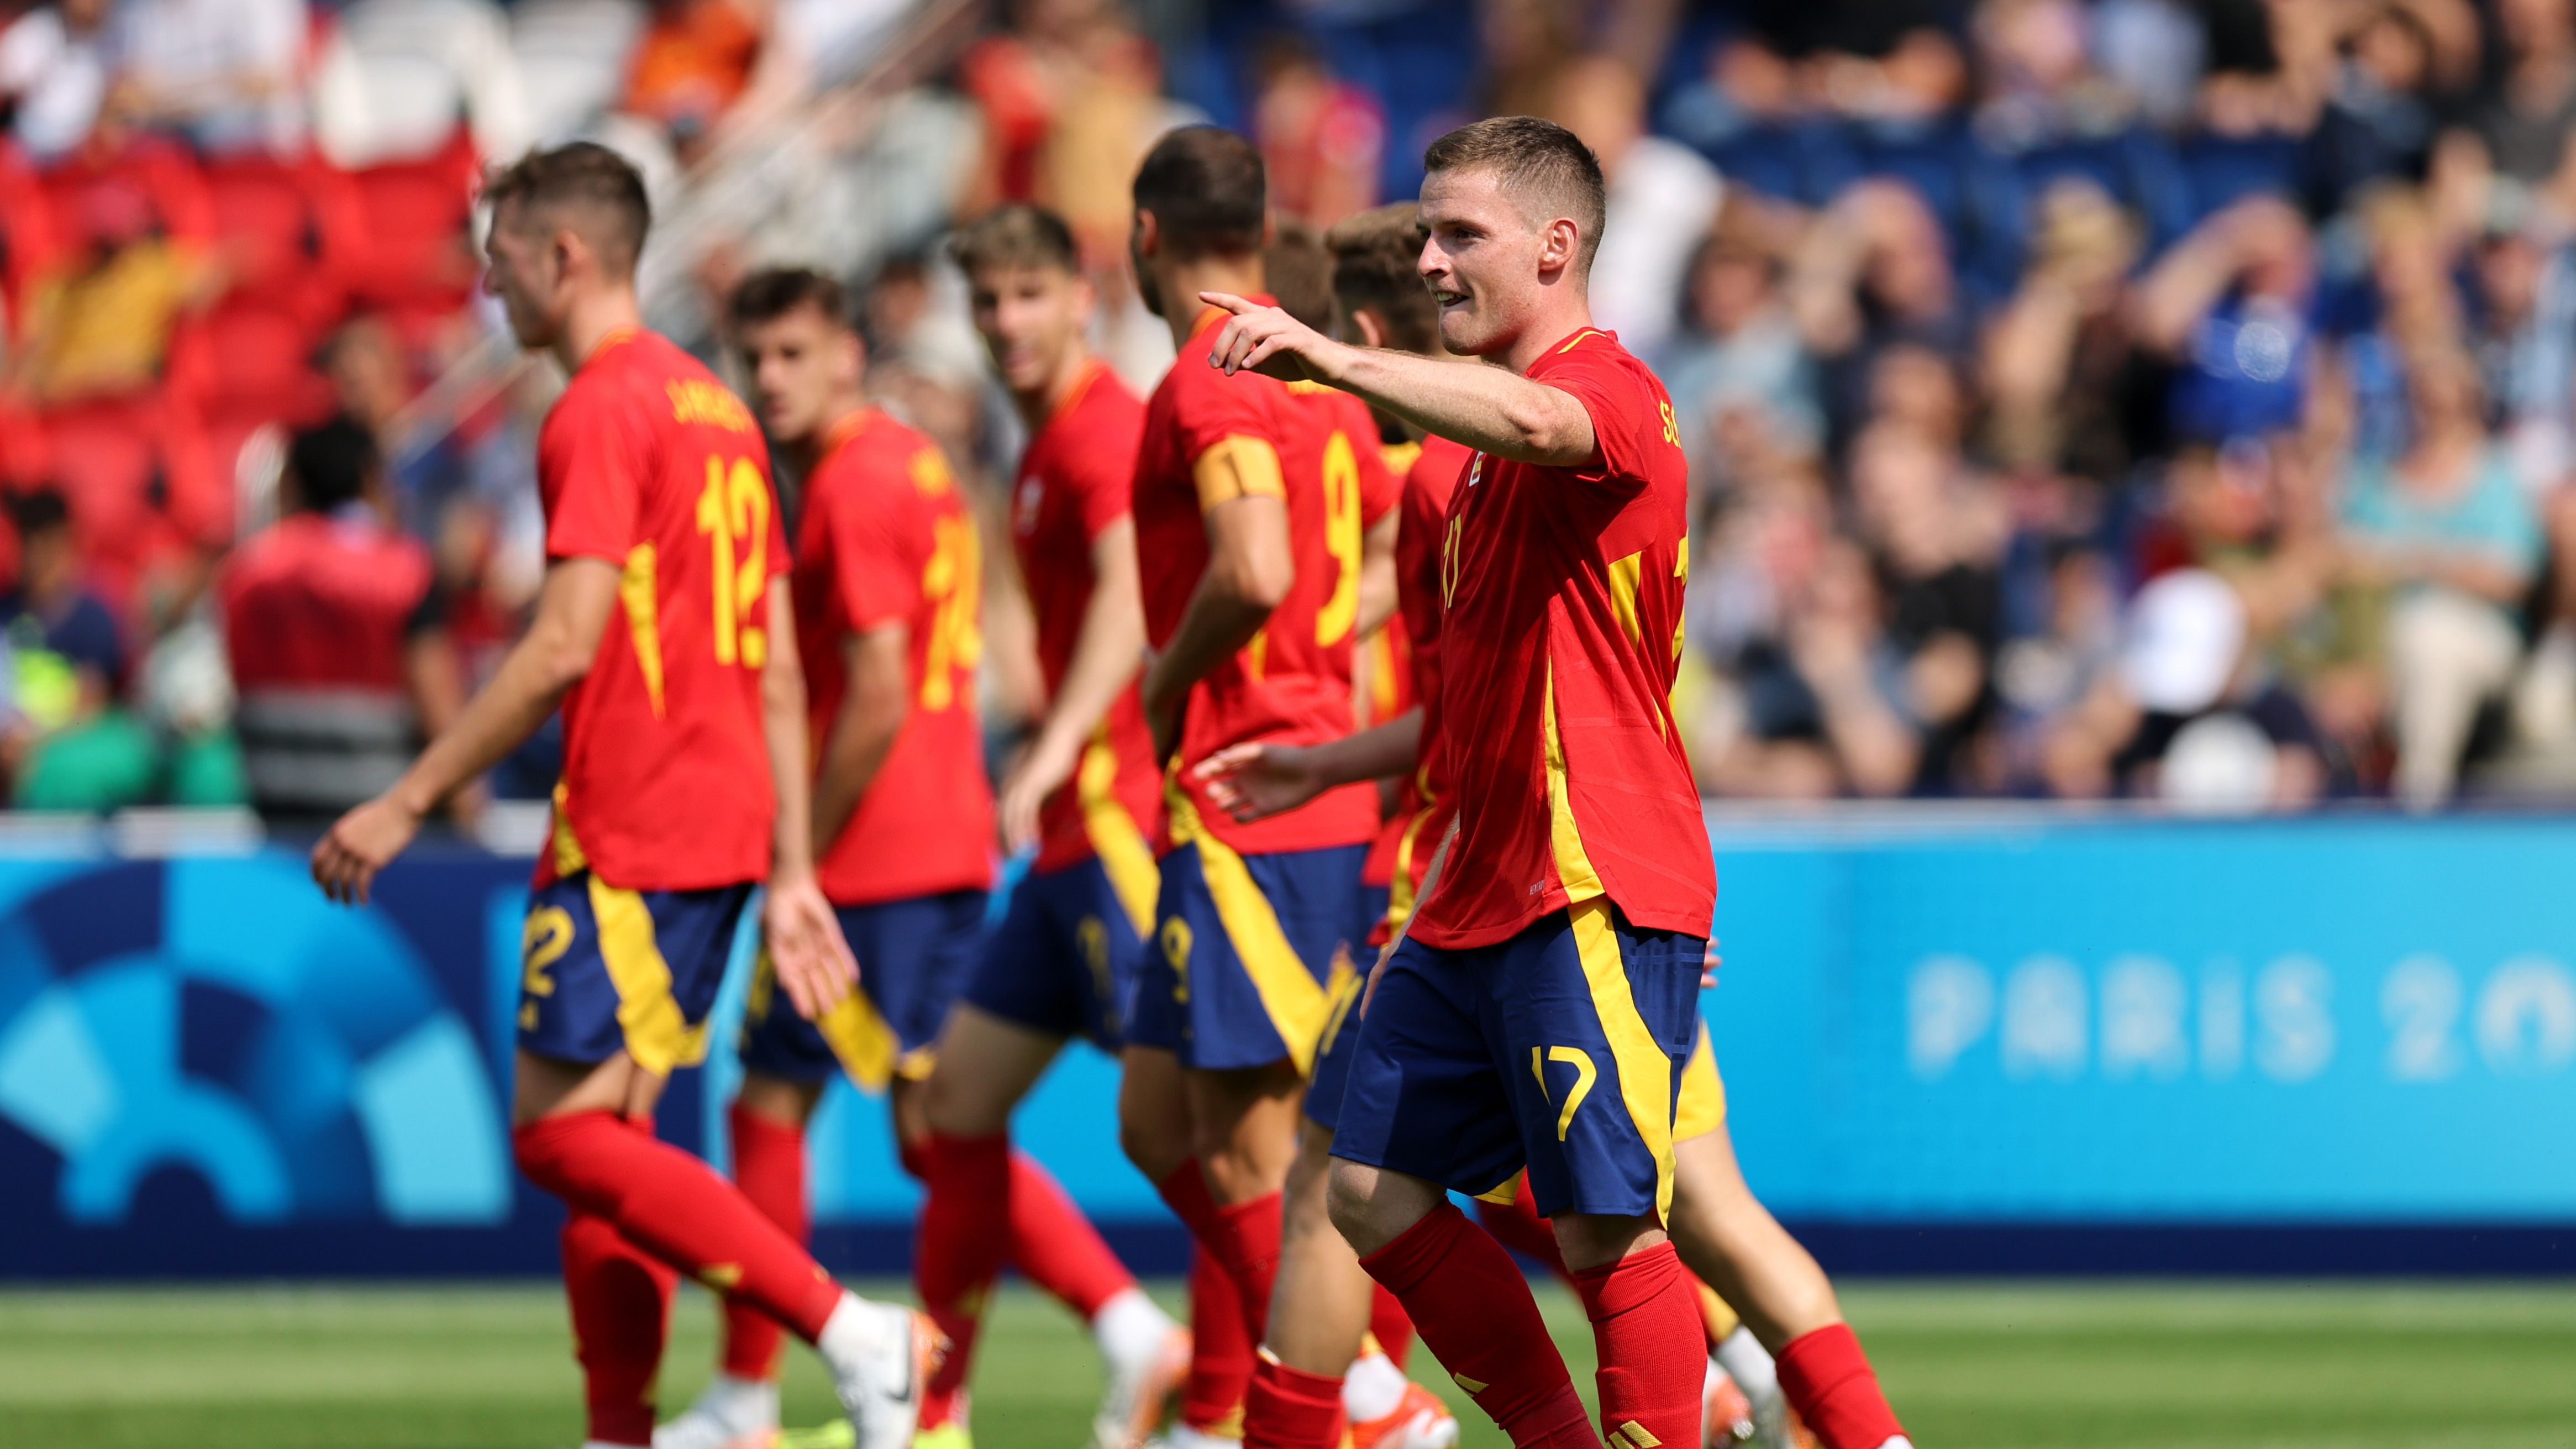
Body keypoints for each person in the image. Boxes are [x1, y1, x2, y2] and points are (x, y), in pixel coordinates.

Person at [1194, 116, 1913, 1449]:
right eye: (1425, 235)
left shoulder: (1615, 389)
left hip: (1586, 875)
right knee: (1366, 1188)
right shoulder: (1464, 482)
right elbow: (1478, 703)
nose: (1435, 260)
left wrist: (1347, 359)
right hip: (1477, 880)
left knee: (1607, 1223)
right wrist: (1330, 758)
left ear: (1557, 246)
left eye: (1460, 236)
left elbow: (1540, 417)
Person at [306, 141, 935, 1449]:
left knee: (554, 1138)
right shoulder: (720, 410)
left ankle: (848, 1328)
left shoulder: (599, 406)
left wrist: (407, 796)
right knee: (618, 1143)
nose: (488, 280)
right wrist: (792, 862)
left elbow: (560, 640)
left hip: (637, 824)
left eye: (498, 252)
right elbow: (772, 674)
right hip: (712, 831)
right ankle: (621, 1429)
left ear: (563, 254)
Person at [651, 265, 1002, 1449]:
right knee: (935, 1119)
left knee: (770, 1102)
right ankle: (1117, 1335)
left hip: (871, 860)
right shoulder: (906, 459)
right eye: (757, 362)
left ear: (852, 353)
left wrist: (790, 836)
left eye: (795, 355)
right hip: (938, 834)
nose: (771, 382)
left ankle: (748, 1394)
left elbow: (877, 690)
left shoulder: (850, 484)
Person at [1116, 124, 1390, 1449]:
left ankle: (1370, 1408)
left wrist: (1168, 681)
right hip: (1283, 787)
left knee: (1258, 1157)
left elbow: (1256, 567)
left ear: (1147, 232)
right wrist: (1335, 638)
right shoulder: (1314, 366)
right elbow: (1382, 532)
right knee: (1153, 1116)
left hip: (1248, 795)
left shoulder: (1211, 372)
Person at [911, 206, 1189, 1449]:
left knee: (1225, 1141)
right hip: (1073, 839)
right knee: (950, 1105)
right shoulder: (1036, 448)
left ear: (1084, 295)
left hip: (1126, 826)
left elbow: (1132, 599)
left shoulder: (1095, 439)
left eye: (1028, 295)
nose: (1006, 324)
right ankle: (933, 1409)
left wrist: (1062, 739)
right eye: (987, 303)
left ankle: (1314, 1394)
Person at [219, 414, 467, 821]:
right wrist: (472, 824)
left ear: (290, 486)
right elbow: (441, 716)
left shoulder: (243, 578)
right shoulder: (405, 573)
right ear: (372, 481)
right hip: (382, 826)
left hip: (278, 814)